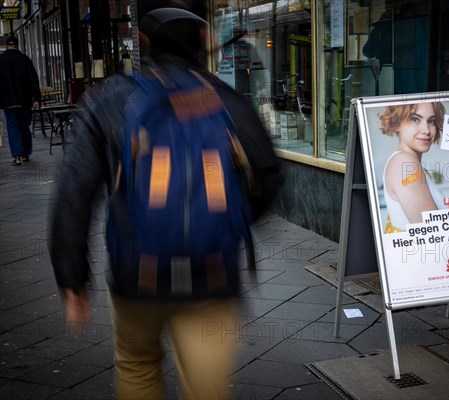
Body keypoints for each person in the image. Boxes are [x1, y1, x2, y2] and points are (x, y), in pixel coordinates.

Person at [49, 1, 281, 399]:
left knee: (137, 366)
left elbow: (74, 189)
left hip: (136, 272)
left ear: (144, 43)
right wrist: (223, 221)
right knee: (206, 386)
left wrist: (71, 274)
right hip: (212, 276)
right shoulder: (228, 100)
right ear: (202, 43)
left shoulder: (110, 99)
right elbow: (269, 176)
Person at [380, 102, 447, 233]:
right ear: (397, 123)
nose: (426, 130)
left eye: (431, 121)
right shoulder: (404, 162)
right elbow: (432, 230)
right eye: (415, 119)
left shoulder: (412, 165)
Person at [0, 35, 41, 166]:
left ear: (6, 46)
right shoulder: (25, 60)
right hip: (24, 100)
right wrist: (36, 98)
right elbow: (34, 80)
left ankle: (17, 155)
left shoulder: (1, 60)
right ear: (17, 45)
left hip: (8, 102)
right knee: (24, 126)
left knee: (13, 127)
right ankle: (26, 153)